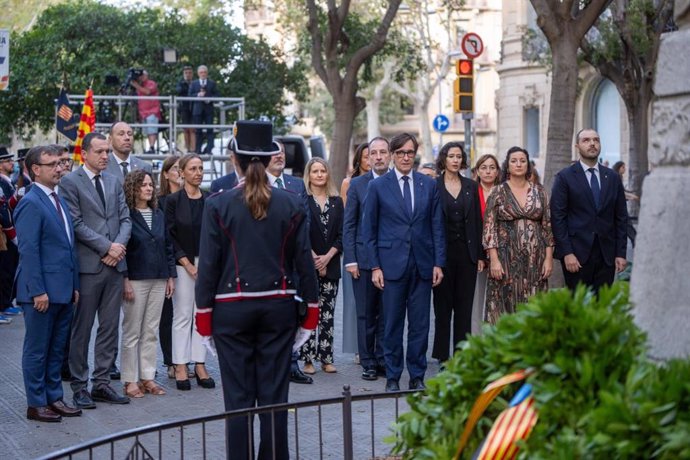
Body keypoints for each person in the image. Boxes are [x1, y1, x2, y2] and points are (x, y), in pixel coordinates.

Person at [194, 120, 319, 460]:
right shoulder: (291, 202)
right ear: (268, 159)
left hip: (230, 310)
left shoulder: (217, 204)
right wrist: (311, 312)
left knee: (237, 398)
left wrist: (202, 318)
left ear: (234, 158)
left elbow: (208, 267)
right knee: (275, 396)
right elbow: (304, 263)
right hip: (278, 307)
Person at [363, 132, 445, 392]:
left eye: (410, 152)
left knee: (420, 325)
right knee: (393, 325)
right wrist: (375, 266)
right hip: (390, 266)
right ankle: (392, 377)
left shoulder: (428, 185)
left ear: (415, 154)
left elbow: (437, 226)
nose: (405, 157)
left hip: (422, 265)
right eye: (400, 153)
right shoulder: (377, 186)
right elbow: (369, 229)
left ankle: (417, 376)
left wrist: (438, 263)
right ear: (392, 155)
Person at [60, 132, 132, 409]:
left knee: (110, 328)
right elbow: (75, 224)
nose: (105, 156)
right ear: (85, 153)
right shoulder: (70, 182)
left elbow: (125, 219)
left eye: (106, 151)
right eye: (100, 152)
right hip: (89, 267)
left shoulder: (114, 181)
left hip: (115, 266)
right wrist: (106, 248)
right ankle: (80, 386)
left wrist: (118, 248)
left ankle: (102, 383)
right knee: (82, 329)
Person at [14, 145, 82, 422]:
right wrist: (38, 290)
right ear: (34, 170)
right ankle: (36, 403)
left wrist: (74, 285)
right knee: (37, 349)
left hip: (64, 290)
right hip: (41, 293)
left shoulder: (58, 198)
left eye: (60, 163)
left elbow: (68, 245)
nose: (59, 168)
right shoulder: (31, 202)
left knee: (56, 349)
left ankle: (54, 398)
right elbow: (28, 251)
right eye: (51, 164)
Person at [550, 129, 628, 292]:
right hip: (577, 256)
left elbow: (621, 217)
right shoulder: (565, 177)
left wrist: (620, 253)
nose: (592, 143)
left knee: (602, 307)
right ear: (577, 146)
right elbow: (558, 217)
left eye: (596, 140)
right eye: (586, 140)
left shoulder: (612, 177)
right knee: (578, 307)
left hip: (606, 256)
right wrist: (567, 253)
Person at [121, 170, 176, 398]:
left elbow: (168, 246)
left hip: (159, 276)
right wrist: (124, 279)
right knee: (132, 330)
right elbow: (122, 248)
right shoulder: (126, 215)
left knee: (151, 330)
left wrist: (170, 275)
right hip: (136, 277)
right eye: (143, 185)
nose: (148, 188)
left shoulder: (158, 213)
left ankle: (148, 376)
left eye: (150, 185)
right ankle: (129, 379)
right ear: (133, 188)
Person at [483, 147, 554, 324]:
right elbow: (489, 227)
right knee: (504, 306)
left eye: (522, 160)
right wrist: (494, 259)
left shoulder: (540, 191)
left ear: (528, 165)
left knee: (534, 306)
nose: (518, 164)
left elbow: (547, 227)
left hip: (534, 261)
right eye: (514, 160)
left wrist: (548, 259)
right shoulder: (497, 192)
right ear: (507, 166)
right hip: (505, 259)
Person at [165, 153, 215, 390]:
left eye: (201, 168)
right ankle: (181, 364)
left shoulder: (210, 201)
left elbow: (215, 235)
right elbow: (170, 236)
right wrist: (187, 264)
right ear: (181, 172)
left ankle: (200, 362)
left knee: (202, 314)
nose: (198, 172)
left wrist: (206, 263)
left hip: (206, 263)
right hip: (182, 263)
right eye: (193, 168)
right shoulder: (173, 201)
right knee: (183, 314)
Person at [432, 142, 484, 363]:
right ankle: (443, 357)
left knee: (464, 309)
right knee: (442, 309)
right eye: (451, 156)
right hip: (442, 256)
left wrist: (480, 255)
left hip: (467, 255)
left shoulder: (471, 186)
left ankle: (461, 356)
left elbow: (477, 221)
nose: (455, 160)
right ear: (443, 159)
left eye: (459, 156)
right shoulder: (433, 185)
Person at [343, 137, 390, 381]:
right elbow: (349, 224)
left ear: (389, 155)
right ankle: (368, 361)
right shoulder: (358, 184)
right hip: (361, 260)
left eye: (383, 152)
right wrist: (350, 259)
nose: (379, 156)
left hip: (391, 260)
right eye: (375, 153)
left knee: (386, 314)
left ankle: (383, 358)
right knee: (365, 314)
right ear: (368, 157)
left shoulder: (396, 182)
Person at [266, 140, 311, 385]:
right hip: (269, 262)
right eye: (274, 152)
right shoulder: (259, 185)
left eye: (282, 152)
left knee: (295, 314)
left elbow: (305, 220)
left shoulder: (296, 184)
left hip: (294, 261)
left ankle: (293, 364)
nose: (279, 156)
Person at [300, 158, 343, 375]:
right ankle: (307, 359)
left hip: (332, 263)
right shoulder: (302, 201)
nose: (319, 175)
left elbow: (342, 234)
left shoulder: (336, 201)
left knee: (328, 313)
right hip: (308, 265)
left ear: (328, 174)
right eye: (315, 171)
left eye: (323, 171)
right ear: (309, 175)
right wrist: (316, 259)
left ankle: (326, 358)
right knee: (310, 311)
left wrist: (327, 258)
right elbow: (299, 234)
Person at [339, 143, 369, 361]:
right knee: (354, 303)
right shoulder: (349, 183)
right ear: (359, 159)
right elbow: (347, 219)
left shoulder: (384, 181)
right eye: (367, 156)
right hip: (356, 249)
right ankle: (360, 348)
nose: (371, 160)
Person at [157, 155, 182, 378]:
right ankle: (170, 361)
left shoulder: (192, 198)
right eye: (175, 168)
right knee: (168, 315)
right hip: (169, 263)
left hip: (190, 264)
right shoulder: (160, 202)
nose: (180, 172)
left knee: (185, 315)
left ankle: (184, 359)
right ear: (166, 174)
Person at [471, 154, 500, 333]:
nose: (488, 171)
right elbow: (471, 227)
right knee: (476, 300)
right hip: (478, 255)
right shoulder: (471, 191)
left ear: (497, 171)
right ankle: (476, 340)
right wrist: (479, 255)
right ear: (477, 171)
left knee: (499, 300)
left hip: (502, 254)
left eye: (492, 167)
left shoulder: (505, 191)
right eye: (484, 167)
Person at [0, 146, 20, 322]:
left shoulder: (8, 181)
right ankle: (3, 305)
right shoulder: (1, 182)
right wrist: (13, 236)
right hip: (4, 233)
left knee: (8, 270)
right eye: (7, 160)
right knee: (4, 271)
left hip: (8, 231)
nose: (11, 163)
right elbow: (4, 210)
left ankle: (6, 304)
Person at [129, 71, 162, 153]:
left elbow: (147, 92)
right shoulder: (140, 85)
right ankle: (149, 147)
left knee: (152, 130)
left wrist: (136, 85)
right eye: (140, 76)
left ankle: (152, 147)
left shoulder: (151, 83)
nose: (141, 77)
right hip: (143, 112)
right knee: (147, 131)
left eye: (143, 75)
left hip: (152, 110)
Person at [189, 65, 219, 154]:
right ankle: (198, 150)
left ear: (207, 73)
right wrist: (198, 95)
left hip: (208, 109)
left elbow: (217, 95)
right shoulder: (194, 84)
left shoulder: (212, 83)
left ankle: (209, 149)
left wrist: (209, 99)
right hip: (197, 110)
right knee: (198, 131)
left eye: (204, 72)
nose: (203, 74)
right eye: (201, 72)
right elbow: (189, 95)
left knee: (210, 130)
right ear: (198, 73)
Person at [176, 66, 196, 153]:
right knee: (186, 129)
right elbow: (178, 91)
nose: (188, 75)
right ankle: (187, 149)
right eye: (186, 73)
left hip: (194, 108)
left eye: (190, 73)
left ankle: (193, 149)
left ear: (192, 74)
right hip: (184, 108)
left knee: (193, 129)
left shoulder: (196, 83)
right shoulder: (181, 84)